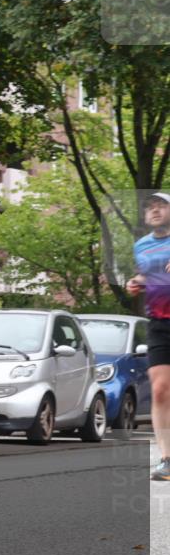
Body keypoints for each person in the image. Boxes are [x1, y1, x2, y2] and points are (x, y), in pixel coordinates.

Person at [126, 191, 170, 482]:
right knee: (159, 390)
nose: (155, 210)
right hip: (159, 322)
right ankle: (167, 459)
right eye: (150, 207)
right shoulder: (140, 246)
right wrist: (136, 283)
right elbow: (150, 275)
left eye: (162, 206)